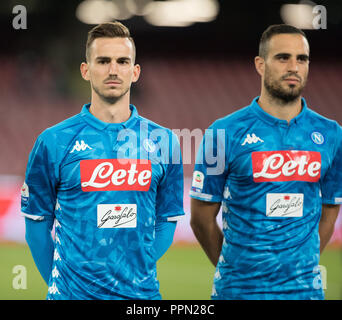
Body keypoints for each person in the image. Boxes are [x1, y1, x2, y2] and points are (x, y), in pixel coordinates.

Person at [21, 21, 185, 300]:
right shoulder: (53, 141)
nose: (113, 70)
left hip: (142, 298)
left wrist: (135, 271)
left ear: (135, 72)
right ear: (86, 70)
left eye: (122, 61)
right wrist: (63, 286)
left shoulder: (164, 141)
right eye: (103, 61)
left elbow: (166, 220)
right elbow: (36, 226)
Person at [190, 24, 342, 300]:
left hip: (305, 292)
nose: (294, 66)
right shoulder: (222, 133)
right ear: (260, 64)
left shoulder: (331, 134)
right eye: (283, 57)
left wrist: (302, 264)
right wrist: (236, 268)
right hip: (239, 291)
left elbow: (331, 208)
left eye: (302, 58)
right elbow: (200, 217)